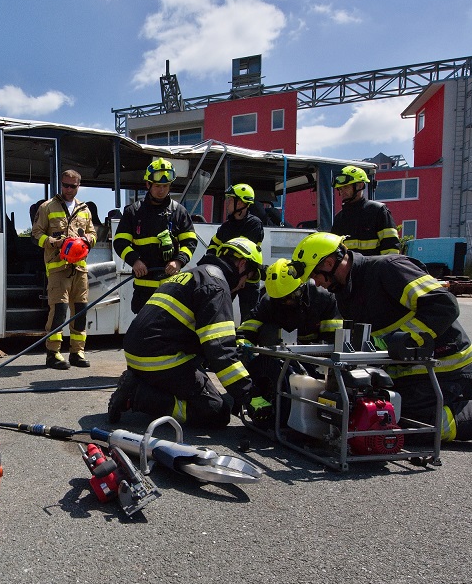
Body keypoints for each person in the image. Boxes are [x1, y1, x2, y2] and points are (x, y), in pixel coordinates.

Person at [291, 231, 472, 458]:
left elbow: (443, 305)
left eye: (315, 275)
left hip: (444, 368)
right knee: (372, 416)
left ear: (330, 263)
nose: (318, 283)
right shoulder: (345, 292)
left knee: (413, 426)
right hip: (406, 372)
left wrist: (403, 339)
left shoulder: (388, 268)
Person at [107, 237, 263, 428]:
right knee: (216, 411)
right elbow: (220, 351)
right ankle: (137, 396)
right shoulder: (217, 286)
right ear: (242, 264)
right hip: (160, 359)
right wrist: (249, 394)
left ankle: (141, 383)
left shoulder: (196, 274)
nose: (244, 285)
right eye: (247, 277)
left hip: (138, 353)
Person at [237, 258, 344, 423]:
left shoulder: (323, 298)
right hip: (279, 353)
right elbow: (247, 329)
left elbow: (334, 340)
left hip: (315, 355)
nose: (286, 302)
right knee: (267, 330)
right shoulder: (270, 300)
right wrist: (243, 345)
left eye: (290, 297)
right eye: (280, 300)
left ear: (301, 287)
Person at [113, 158, 198, 313]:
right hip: (144, 290)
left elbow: (190, 242)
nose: (162, 190)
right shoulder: (133, 212)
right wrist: (135, 261)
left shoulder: (179, 212)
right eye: (158, 186)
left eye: (165, 186)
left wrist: (178, 262)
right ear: (148, 185)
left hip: (171, 288)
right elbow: (120, 242)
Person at [32, 169, 97, 369]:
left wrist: (88, 239)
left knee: (80, 311)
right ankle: (53, 353)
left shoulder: (85, 209)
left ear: (79, 186)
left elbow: (93, 233)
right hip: (58, 268)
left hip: (79, 268)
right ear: (61, 184)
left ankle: (77, 352)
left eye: (73, 186)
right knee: (58, 311)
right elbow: (36, 234)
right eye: (65, 185)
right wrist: (54, 242)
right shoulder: (47, 207)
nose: (68, 189)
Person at [211, 182, 265, 316]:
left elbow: (247, 255)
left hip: (248, 279)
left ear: (240, 204)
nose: (227, 203)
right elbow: (213, 247)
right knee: (220, 313)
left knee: (249, 316)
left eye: (230, 200)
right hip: (229, 277)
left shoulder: (254, 224)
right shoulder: (226, 226)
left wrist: (243, 277)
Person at [329, 165, 399, 256]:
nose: (342, 191)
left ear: (360, 185)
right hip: (351, 270)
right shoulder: (339, 218)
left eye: (346, 187)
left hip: (374, 269)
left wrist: (384, 269)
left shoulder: (378, 211)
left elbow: (391, 248)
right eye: (340, 189)